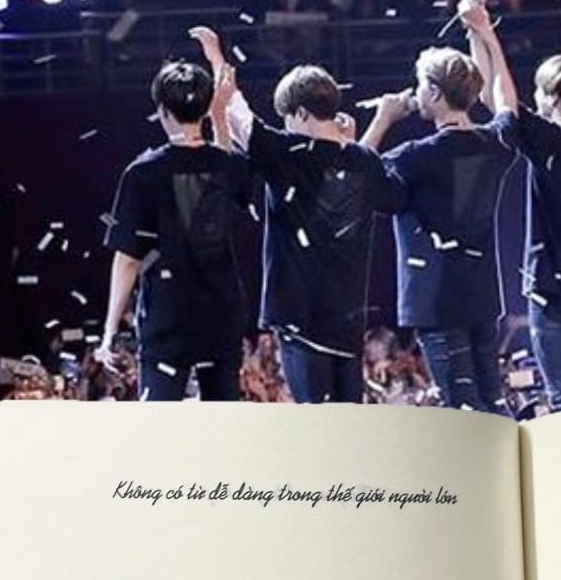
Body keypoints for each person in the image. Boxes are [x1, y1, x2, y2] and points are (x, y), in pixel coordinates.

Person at [190, 27, 401, 404]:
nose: (285, 125)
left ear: (301, 112)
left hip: (300, 317)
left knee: (315, 423)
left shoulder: (287, 152)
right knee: (349, 423)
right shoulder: (363, 160)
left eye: (287, 117)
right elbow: (349, 181)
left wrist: (216, 57)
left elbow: (237, 116)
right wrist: (355, 138)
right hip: (348, 321)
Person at [460, 0, 561, 411]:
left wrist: (485, 33)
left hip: (555, 288)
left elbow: (497, 99)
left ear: (550, 98)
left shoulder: (551, 142)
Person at [362, 34, 516, 413]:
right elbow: (507, 104)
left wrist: (382, 119)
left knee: (462, 405)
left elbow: (355, 180)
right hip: (482, 292)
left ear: (433, 93)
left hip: (437, 299)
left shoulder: (415, 157)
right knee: (492, 398)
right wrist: (484, 34)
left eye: (419, 86)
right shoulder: (495, 144)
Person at [98, 59, 249, 400]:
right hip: (222, 317)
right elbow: (224, 163)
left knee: (159, 422)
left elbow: (128, 259)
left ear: (162, 111)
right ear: (205, 107)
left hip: (167, 320)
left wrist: (109, 331)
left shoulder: (142, 173)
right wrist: (219, 116)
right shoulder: (230, 165)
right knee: (225, 421)